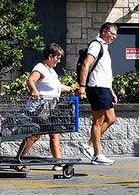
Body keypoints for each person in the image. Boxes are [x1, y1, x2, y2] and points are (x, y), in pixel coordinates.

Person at [18, 44, 77, 171]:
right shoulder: (40, 68)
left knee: (54, 134)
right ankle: (19, 161)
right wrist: (34, 90)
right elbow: (30, 80)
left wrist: (72, 89)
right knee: (34, 135)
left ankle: (58, 163)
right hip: (37, 109)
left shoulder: (51, 70)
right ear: (50, 56)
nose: (59, 61)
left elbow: (58, 87)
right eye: (57, 58)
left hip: (48, 109)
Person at [76, 22, 118, 166]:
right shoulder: (96, 45)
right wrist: (82, 86)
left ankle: (89, 145)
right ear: (104, 32)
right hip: (96, 87)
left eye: (115, 35)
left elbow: (104, 71)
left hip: (103, 87)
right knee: (98, 121)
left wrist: (111, 90)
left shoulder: (104, 47)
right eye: (112, 33)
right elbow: (86, 64)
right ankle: (97, 155)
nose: (114, 37)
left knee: (111, 119)